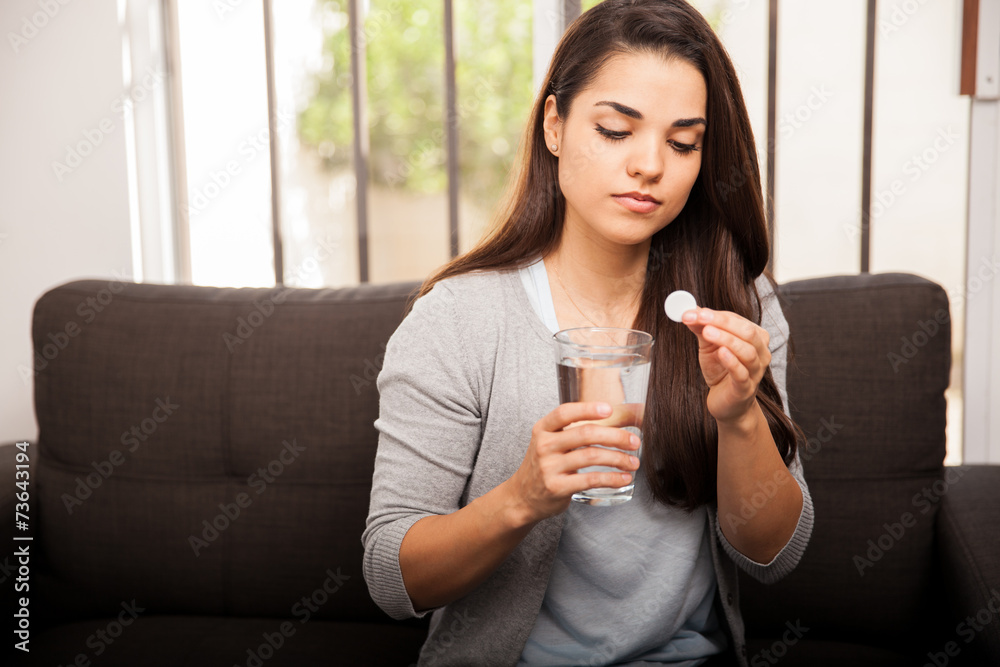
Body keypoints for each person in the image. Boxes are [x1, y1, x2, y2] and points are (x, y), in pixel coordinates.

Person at [362, 1, 814, 665]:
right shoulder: (457, 319)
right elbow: (390, 577)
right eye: (615, 130)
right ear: (554, 124)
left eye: (684, 142)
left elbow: (776, 556)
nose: (650, 165)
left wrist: (741, 416)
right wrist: (519, 499)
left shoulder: (736, 305)